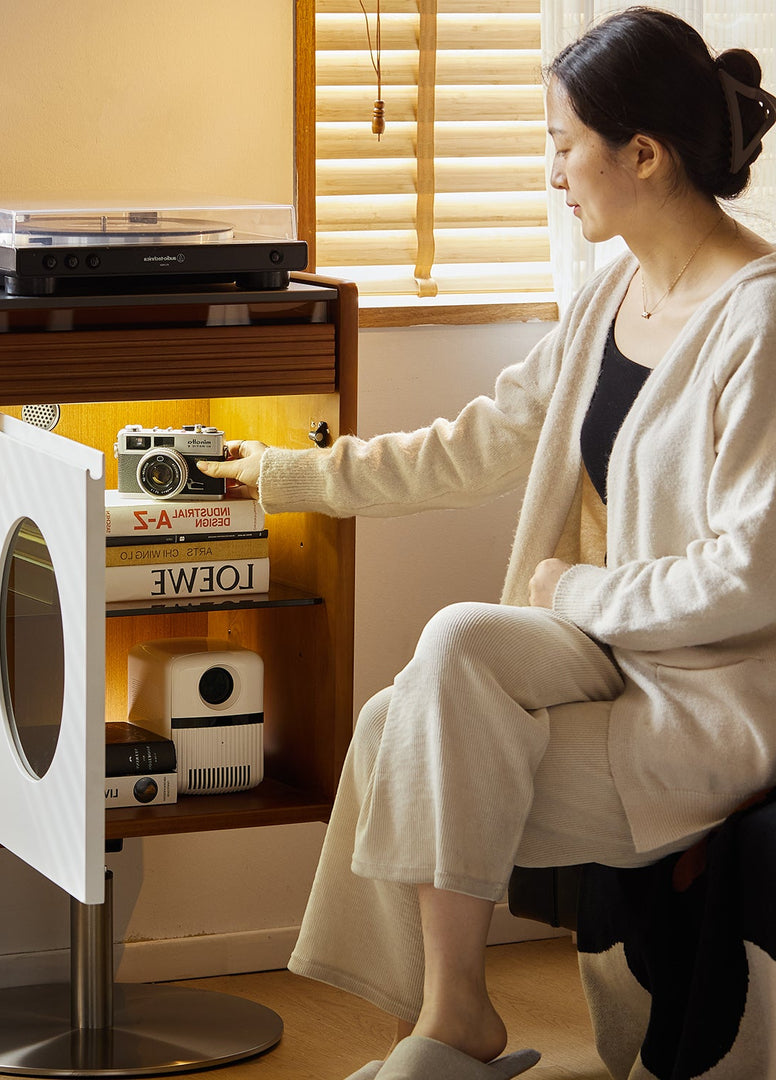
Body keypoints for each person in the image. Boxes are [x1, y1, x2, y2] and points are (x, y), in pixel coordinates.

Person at [197, 8, 776, 1079]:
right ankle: (455, 1009)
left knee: (398, 728)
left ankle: (445, 1024)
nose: (553, 172)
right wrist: (290, 477)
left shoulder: (759, 320)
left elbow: (752, 576)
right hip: (604, 650)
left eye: (563, 145)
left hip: (710, 687)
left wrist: (580, 589)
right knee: (453, 647)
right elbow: (475, 446)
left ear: (641, 155)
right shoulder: (613, 293)